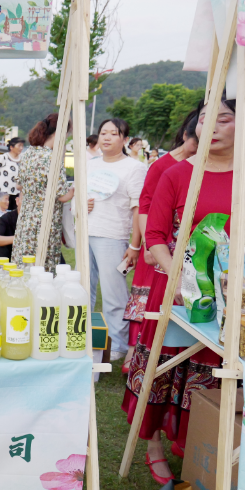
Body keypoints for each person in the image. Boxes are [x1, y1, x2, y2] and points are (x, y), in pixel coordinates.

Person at [123, 96, 245, 484]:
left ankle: (200, 445)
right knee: (164, 366)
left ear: (243, 126)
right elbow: (155, 236)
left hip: (233, 293)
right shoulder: (178, 174)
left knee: (214, 371)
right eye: (204, 118)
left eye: (223, 118)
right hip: (178, 288)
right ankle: (153, 445)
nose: (211, 125)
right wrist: (178, 276)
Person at [123, 109, 200, 364]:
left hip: (181, 244)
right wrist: (147, 243)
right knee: (147, 296)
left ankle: (170, 354)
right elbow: (144, 206)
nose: (197, 149)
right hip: (157, 239)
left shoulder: (199, 165)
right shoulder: (163, 166)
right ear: (186, 135)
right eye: (195, 142)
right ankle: (135, 352)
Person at [86, 118, 146, 363]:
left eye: (113, 133)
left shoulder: (134, 168)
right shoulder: (90, 164)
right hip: (86, 232)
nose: (107, 137)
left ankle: (117, 346)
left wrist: (134, 245)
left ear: (125, 139)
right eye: (103, 133)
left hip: (113, 235)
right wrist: (82, 205)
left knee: (113, 295)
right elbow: (80, 197)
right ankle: (84, 338)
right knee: (84, 290)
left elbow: (138, 207)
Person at [12, 113, 75, 271]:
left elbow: (19, 185)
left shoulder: (28, 153)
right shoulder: (52, 158)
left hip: (26, 218)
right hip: (45, 219)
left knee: (24, 265)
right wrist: (76, 189)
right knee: (42, 268)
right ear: (59, 134)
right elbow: (63, 196)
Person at [0, 192, 21, 263]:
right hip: (9, 253)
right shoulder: (6, 218)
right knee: (3, 251)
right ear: (17, 201)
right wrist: (19, 238)